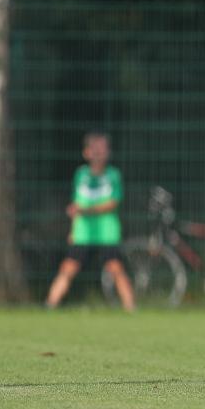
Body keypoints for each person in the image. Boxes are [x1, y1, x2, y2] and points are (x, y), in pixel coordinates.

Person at [46, 132, 135, 312]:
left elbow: (112, 203)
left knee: (116, 269)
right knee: (67, 269)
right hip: (83, 233)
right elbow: (77, 203)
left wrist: (86, 210)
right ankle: (49, 306)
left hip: (107, 233)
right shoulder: (81, 174)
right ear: (86, 152)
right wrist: (72, 230)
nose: (98, 153)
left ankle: (131, 308)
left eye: (102, 149)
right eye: (94, 149)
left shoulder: (113, 175)